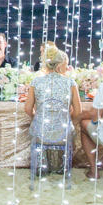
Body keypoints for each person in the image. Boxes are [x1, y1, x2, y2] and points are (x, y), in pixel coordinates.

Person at [23, 44, 82, 174]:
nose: (67, 68)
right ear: (60, 65)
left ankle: (41, 166)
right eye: (66, 64)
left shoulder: (36, 82)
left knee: (37, 128)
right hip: (63, 132)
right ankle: (62, 167)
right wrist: (65, 119)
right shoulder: (71, 83)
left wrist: (37, 117)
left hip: (41, 131)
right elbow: (78, 111)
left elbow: (27, 108)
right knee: (69, 129)